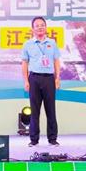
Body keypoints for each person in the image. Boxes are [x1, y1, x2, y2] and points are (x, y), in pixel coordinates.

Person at [21, 17, 61, 146]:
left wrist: (57, 77)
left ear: (46, 27)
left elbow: (56, 61)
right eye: (37, 25)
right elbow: (24, 63)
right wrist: (26, 80)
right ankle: (34, 140)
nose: (40, 27)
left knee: (51, 110)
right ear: (32, 29)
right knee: (34, 111)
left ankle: (52, 139)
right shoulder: (28, 44)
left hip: (49, 78)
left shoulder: (52, 43)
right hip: (34, 78)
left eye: (42, 25)